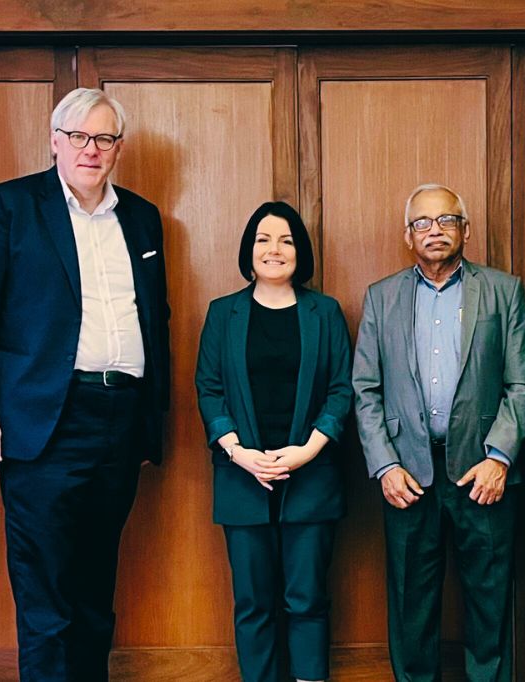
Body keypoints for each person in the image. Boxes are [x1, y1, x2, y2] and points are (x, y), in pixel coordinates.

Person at [0, 87, 170, 681]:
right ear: (54, 142)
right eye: (78, 137)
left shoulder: (143, 216)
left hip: (120, 420)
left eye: (103, 138)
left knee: (96, 590)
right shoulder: (11, 206)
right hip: (42, 424)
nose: (90, 150)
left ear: (117, 148)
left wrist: (151, 421)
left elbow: (157, 318)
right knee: (46, 596)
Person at [352, 184, 525, 681]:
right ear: (407, 236)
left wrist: (500, 457)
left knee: (489, 605)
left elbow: (521, 383)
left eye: (446, 220)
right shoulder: (382, 297)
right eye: (422, 223)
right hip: (407, 476)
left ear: (466, 229)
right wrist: (385, 466)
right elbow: (365, 389)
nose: (434, 231)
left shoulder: (503, 291)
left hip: (483, 473)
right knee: (412, 609)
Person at [195, 201, 352, 682]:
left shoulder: (324, 312)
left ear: (299, 252)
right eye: (263, 239)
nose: (274, 249)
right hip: (242, 477)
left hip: (312, 476)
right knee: (253, 601)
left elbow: (341, 388)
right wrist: (239, 453)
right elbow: (209, 388)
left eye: (285, 240)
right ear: (249, 251)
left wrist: (307, 450)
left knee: (306, 598)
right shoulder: (224, 313)